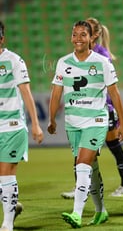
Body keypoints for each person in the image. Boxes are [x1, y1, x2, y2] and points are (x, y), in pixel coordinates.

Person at [48, 21, 123, 228]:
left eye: (83, 35)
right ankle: (101, 211)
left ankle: (77, 213)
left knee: (81, 165)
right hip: (73, 123)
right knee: (90, 167)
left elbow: (114, 94)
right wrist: (51, 119)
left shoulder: (102, 62)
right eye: (75, 34)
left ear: (92, 38)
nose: (78, 39)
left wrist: (122, 122)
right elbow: (56, 93)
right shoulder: (63, 62)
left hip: (96, 121)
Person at [60, 17, 123, 199]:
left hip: (102, 108)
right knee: (82, 152)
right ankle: (80, 188)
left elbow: (111, 88)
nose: (82, 36)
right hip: (85, 110)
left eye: (87, 32)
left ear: (95, 34)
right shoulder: (80, 54)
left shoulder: (101, 55)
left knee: (113, 145)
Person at [0, 20, 43, 231]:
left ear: (2, 38)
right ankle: (12, 205)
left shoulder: (14, 61)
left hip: (12, 125)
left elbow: (26, 92)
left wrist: (35, 124)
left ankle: (7, 223)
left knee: (6, 173)